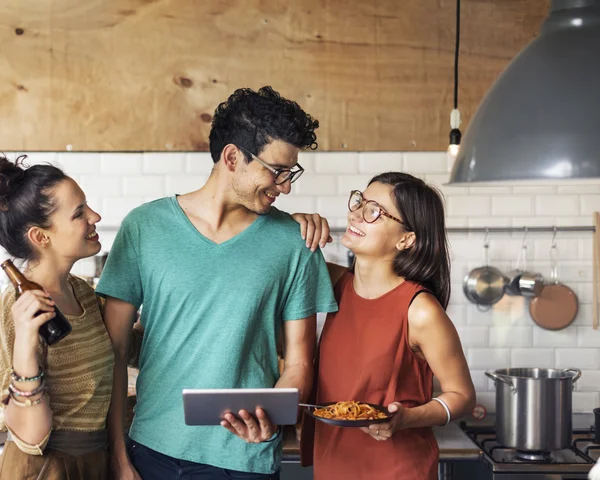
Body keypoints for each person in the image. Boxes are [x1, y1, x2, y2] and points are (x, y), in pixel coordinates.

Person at [96, 86, 338, 480]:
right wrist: (119, 458)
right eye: (277, 171)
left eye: (291, 173)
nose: (286, 186)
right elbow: (115, 353)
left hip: (243, 461)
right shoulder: (144, 228)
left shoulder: (296, 242)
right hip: (149, 453)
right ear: (232, 157)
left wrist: (275, 415)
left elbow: (298, 362)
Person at [300, 172, 476, 480]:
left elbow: (461, 396)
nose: (356, 214)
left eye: (374, 211)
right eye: (360, 201)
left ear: (406, 239)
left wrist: (406, 419)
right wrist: (296, 223)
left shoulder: (420, 311)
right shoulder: (333, 282)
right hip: (333, 465)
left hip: (397, 469)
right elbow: (276, 256)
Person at [0, 155, 112, 479]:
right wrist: (24, 339)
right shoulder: (16, 312)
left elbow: (132, 347)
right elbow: (30, 437)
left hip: (94, 462)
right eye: (79, 213)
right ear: (41, 236)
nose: (95, 216)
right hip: (44, 469)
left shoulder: (85, 294)